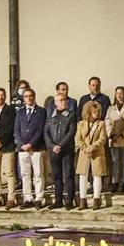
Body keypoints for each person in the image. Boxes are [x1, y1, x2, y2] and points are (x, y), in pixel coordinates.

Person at [44, 82, 79, 210]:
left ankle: (69, 200)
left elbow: (71, 132)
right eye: (60, 100)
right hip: (53, 151)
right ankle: (58, 200)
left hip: (66, 150)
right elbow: (46, 132)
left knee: (68, 175)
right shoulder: (51, 116)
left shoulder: (70, 115)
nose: (63, 102)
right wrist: (52, 146)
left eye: (64, 100)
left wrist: (60, 145)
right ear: (55, 103)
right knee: (56, 176)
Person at [12, 83, 47, 208]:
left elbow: (40, 130)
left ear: (34, 97)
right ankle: (28, 198)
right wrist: (22, 144)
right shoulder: (20, 112)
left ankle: (39, 198)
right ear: (23, 99)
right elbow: (16, 129)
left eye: (31, 96)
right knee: (25, 175)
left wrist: (31, 143)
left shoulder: (41, 111)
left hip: (36, 148)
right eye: (26, 96)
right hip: (23, 149)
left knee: (38, 174)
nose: (29, 98)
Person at [76, 99, 110, 209]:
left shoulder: (101, 124)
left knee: (97, 175)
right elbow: (78, 139)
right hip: (84, 152)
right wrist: (85, 148)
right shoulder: (81, 124)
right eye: (94, 111)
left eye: (98, 111)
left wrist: (92, 147)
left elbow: (102, 138)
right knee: (82, 175)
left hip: (97, 152)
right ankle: (83, 199)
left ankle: (96, 198)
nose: (97, 113)